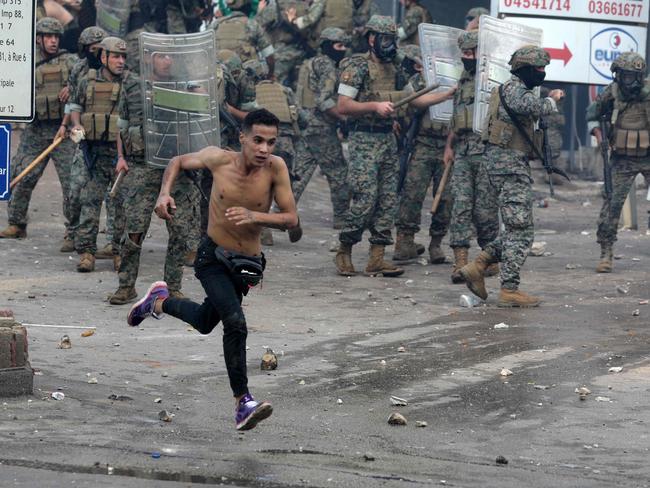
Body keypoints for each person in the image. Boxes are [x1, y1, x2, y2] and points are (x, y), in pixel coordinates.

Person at [127, 109, 298, 431]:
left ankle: (158, 302)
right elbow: (177, 161)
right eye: (258, 140)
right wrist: (164, 194)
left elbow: (291, 219)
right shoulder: (219, 160)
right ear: (243, 138)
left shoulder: (276, 168)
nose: (264, 149)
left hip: (246, 267)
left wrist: (255, 216)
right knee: (235, 322)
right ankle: (242, 402)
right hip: (213, 258)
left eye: (271, 142)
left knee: (207, 322)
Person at [334, 15, 448, 277]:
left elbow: (414, 100)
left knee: (387, 201)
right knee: (365, 199)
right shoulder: (356, 66)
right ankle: (345, 249)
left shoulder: (396, 69)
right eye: (385, 39)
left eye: (393, 40)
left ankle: (377, 257)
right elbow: (343, 106)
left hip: (387, 140)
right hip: (364, 139)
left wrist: (445, 95)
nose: (390, 45)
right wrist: (373, 106)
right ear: (372, 39)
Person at [459, 45, 564, 307]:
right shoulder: (514, 89)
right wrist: (552, 99)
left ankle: (479, 265)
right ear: (524, 69)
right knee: (521, 230)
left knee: (520, 228)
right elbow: (529, 106)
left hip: (508, 164)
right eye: (538, 68)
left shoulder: (514, 87)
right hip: (508, 166)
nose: (542, 72)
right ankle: (509, 290)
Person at [108, 51, 200, 304]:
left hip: (179, 169)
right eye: (161, 56)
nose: (167, 61)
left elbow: (201, 122)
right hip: (143, 167)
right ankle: (126, 286)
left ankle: (173, 287)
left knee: (180, 231)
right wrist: (121, 157)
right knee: (134, 230)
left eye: (171, 56)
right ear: (150, 59)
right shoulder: (135, 88)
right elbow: (123, 127)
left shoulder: (183, 89)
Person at [0, 18, 77, 242]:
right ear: (38, 39)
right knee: (22, 174)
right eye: (48, 37)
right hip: (35, 129)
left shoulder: (70, 61)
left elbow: (87, 81)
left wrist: (72, 87)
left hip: (62, 132)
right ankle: (16, 223)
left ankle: (73, 233)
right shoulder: (25, 61)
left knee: (72, 183)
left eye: (56, 37)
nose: (53, 41)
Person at [68, 36, 128, 273]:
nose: (120, 61)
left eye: (123, 57)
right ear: (103, 57)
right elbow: (76, 108)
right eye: (116, 56)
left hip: (120, 156)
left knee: (119, 207)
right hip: (93, 154)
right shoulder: (86, 82)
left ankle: (118, 252)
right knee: (89, 203)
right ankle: (86, 252)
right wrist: (75, 125)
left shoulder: (130, 84)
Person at [444, 30, 499, 283]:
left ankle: (490, 259)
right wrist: (449, 146)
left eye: (471, 52)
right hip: (464, 150)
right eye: (464, 53)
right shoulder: (463, 79)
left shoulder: (493, 79)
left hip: (487, 151)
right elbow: (457, 116)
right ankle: (461, 263)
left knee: (486, 211)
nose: (467, 57)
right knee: (461, 206)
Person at [587, 52, 650, 273]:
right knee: (611, 205)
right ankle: (606, 252)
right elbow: (593, 114)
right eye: (623, 75)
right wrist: (598, 133)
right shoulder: (611, 93)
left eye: (632, 76)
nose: (627, 80)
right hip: (622, 158)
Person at [393, 44, 456, 265]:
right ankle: (404, 241)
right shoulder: (421, 81)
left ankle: (436, 243)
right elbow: (409, 103)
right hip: (423, 142)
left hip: (449, 145)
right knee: (412, 192)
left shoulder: (461, 80)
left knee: (446, 197)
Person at [292, 27, 351, 231]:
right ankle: (343, 218)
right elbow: (323, 100)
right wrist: (344, 119)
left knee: (297, 176)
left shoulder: (309, 63)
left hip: (306, 125)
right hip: (321, 127)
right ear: (327, 46)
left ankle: (276, 216)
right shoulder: (326, 65)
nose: (342, 50)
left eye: (345, 46)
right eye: (338, 45)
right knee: (339, 175)